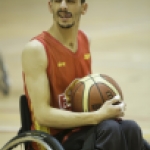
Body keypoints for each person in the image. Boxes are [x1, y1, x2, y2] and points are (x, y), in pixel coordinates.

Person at [21, 0, 150, 150]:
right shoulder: (36, 49)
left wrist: (111, 106)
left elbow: (86, 99)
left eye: (70, 1)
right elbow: (42, 115)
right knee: (109, 129)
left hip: (82, 130)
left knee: (130, 128)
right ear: (50, 6)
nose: (63, 6)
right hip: (53, 140)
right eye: (58, 1)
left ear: (84, 8)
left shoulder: (84, 40)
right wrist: (97, 116)